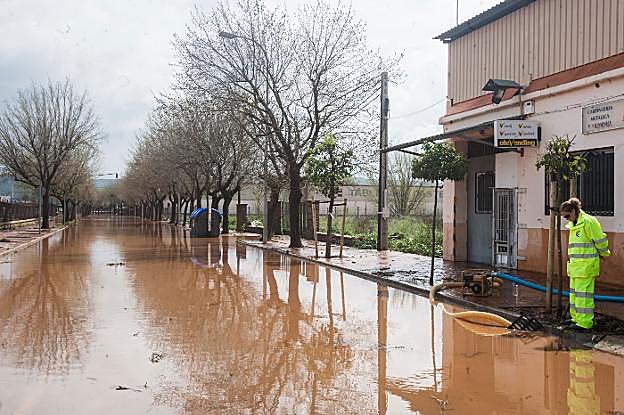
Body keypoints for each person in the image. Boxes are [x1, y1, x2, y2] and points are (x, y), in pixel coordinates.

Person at [560, 198, 610, 331]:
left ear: (573, 211)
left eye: (567, 216)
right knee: (575, 296)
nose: (566, 219)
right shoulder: (574, 225)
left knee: (584, 297)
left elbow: (600, 240)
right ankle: (576, 319)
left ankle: (585, 324)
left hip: (586, 267)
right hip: (575, 268)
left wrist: (604, 254)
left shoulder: (589, 222)